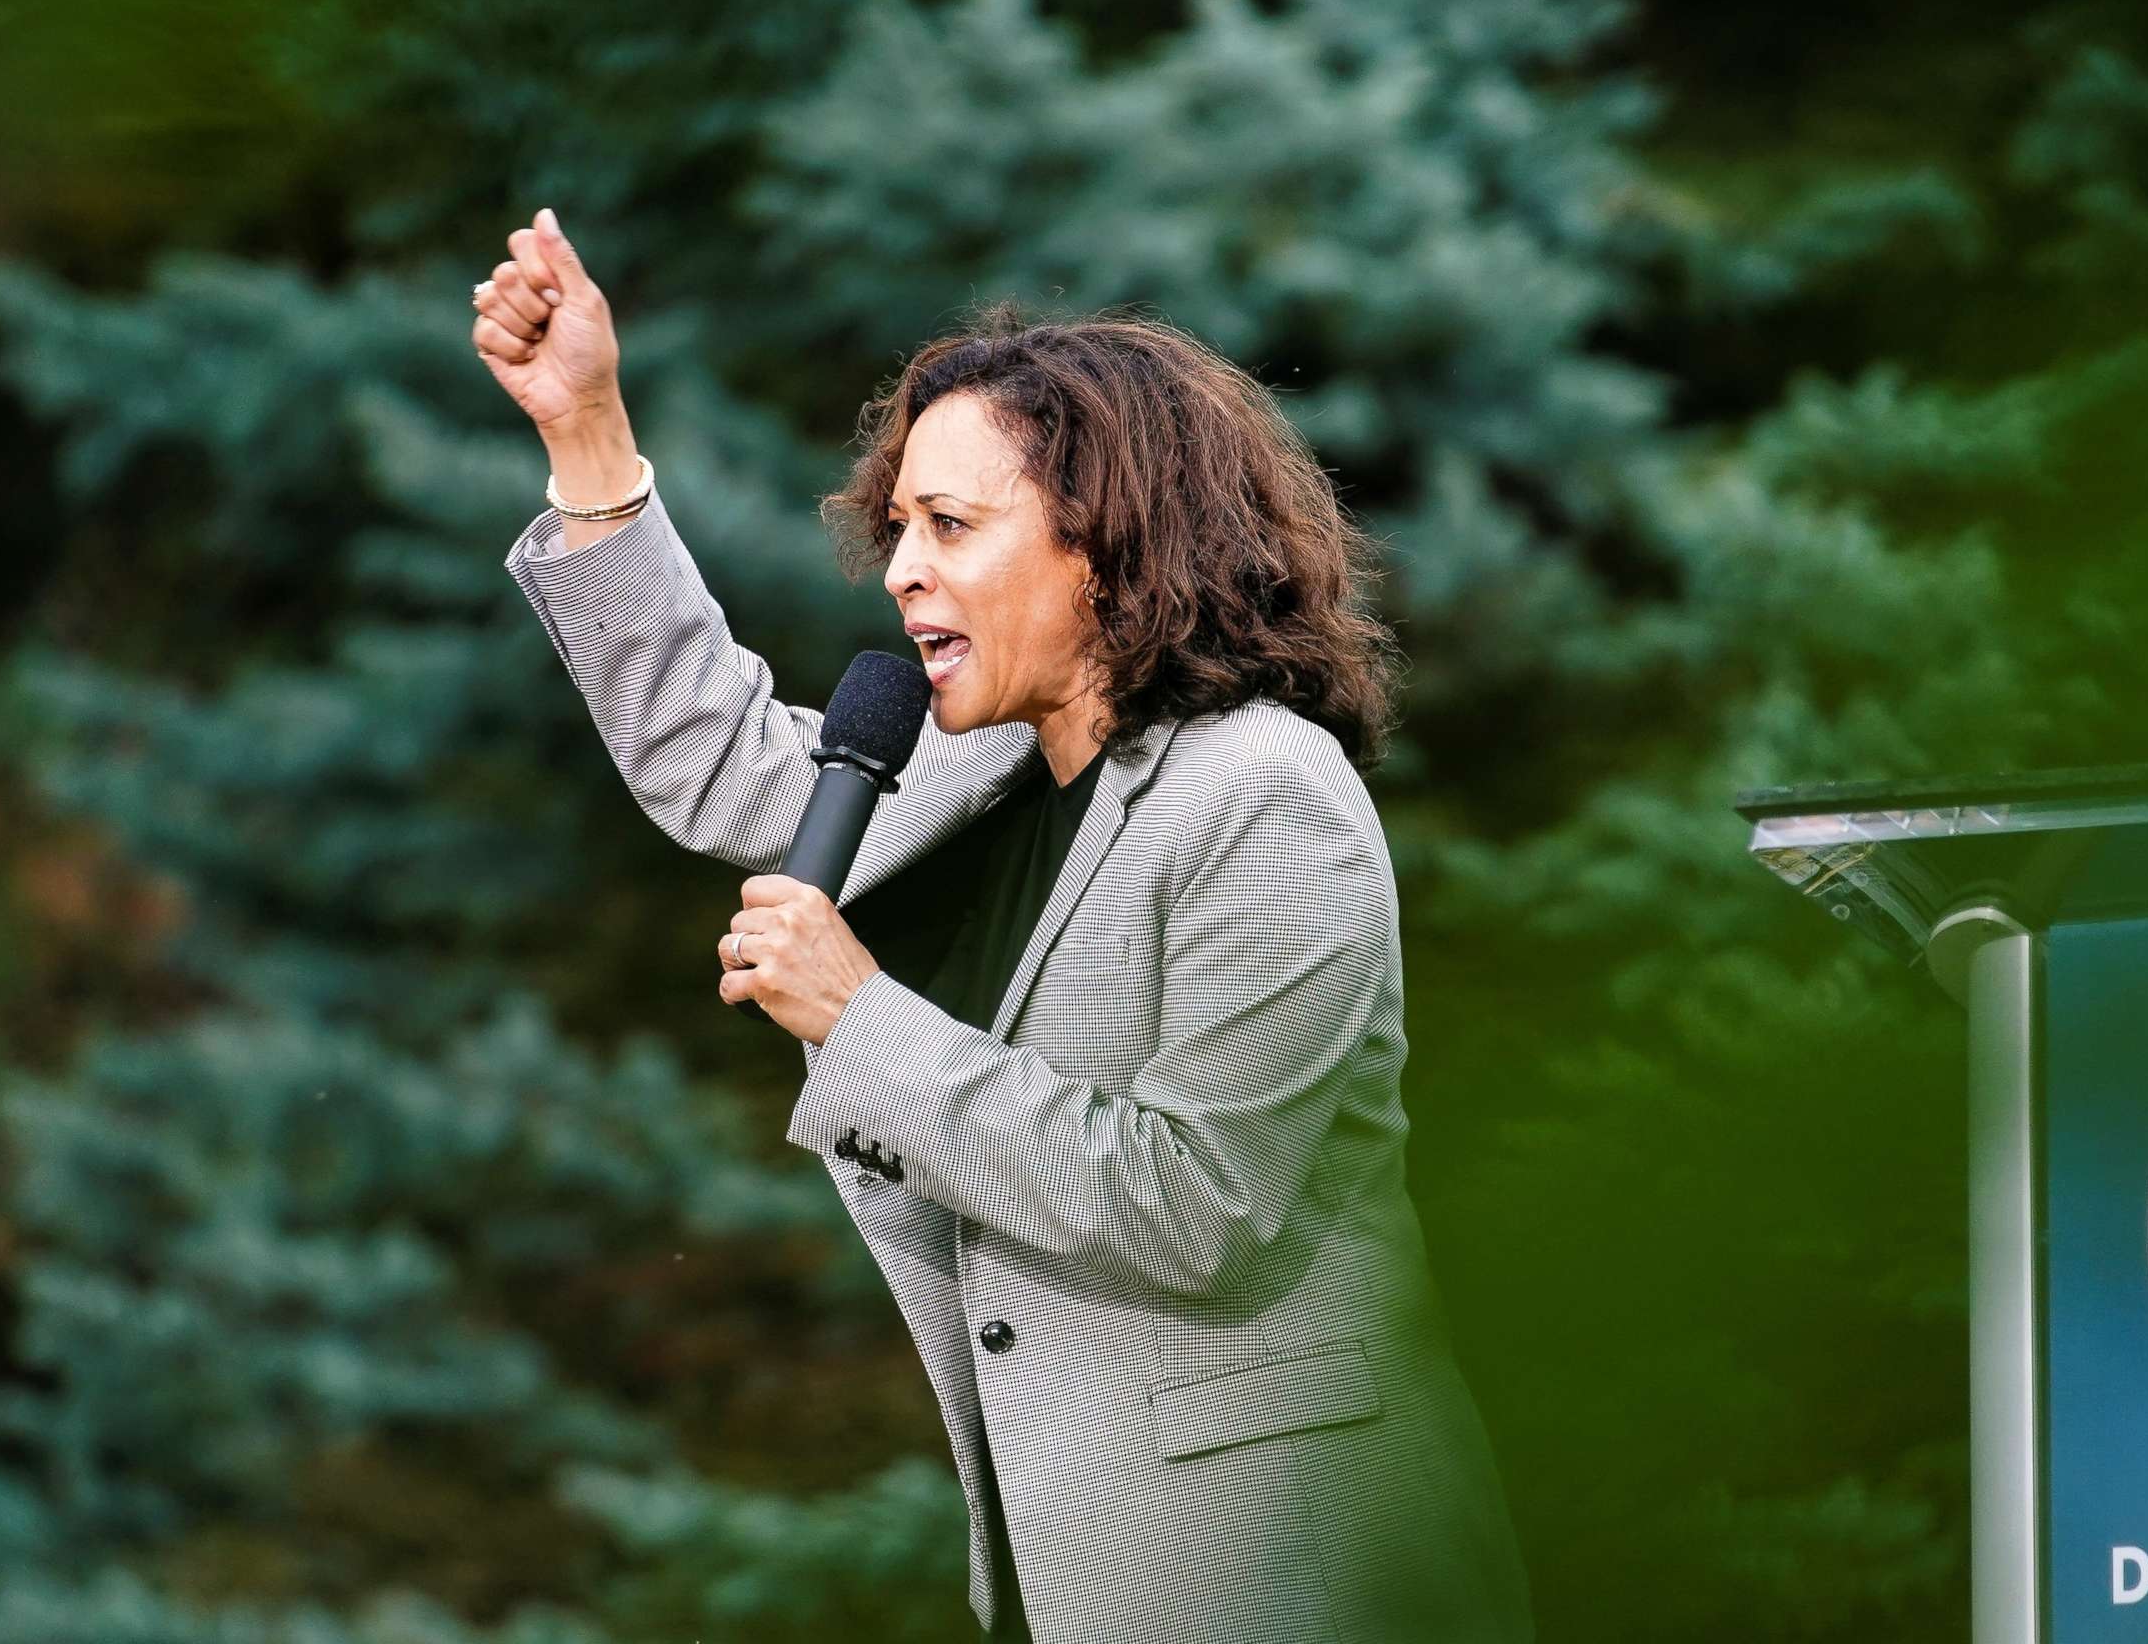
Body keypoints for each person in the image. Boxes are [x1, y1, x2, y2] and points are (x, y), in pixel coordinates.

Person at [475, 207, 1535, 1643]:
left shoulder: (1266, 794)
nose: (901, 566)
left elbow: (1198, 1203)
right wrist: (590, 433)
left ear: (1108, 545)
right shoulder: (976, 769)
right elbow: (711, 755)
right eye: (899, 524)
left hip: (1296, 1578)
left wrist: (859, 1017)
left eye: (952, 527)